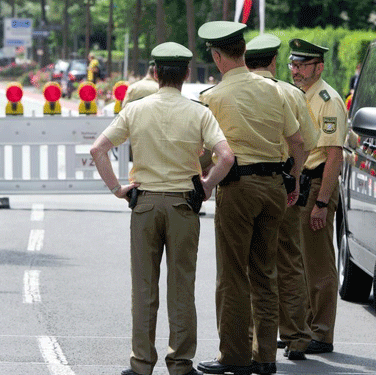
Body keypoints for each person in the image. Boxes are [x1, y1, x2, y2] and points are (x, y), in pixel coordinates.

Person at [90, 41, 234, 375]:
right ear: (186, 73)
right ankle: (180, 363)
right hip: (184, 204)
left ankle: (141, 363)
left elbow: (98, 149)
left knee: (143, 287)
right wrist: (207, 186)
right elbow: (226, 156)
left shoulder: (135, 110)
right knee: (181, 286)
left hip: (145, 203)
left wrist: (118, 189)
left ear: (155, 74)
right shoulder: (199, 112)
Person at [196, 21, 306, 375]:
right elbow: (299, 144)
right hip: (274, 186)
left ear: (216, 56)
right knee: (265, 273)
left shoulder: (213, 97)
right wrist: (293, 178)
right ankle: (266, 357)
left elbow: (201, 150)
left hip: (238, 188)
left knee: (232, 275)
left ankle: (234, 355)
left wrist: (201, 180)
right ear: (244, 51)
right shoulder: (275, 91)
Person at [244, 34, 320, 361]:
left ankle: (252, 339)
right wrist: (296, 178)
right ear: (274, 61)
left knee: (249, 263)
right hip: (283, 183)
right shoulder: (291, 93)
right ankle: (298, 336)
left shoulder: (235, 91)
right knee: (289, 259)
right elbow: (307, 142)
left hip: (243, 185)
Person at [288, 38, 348, 354]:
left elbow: (334, 155)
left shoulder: (328, 100)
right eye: (293, 64)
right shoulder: (299, 95)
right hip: (301, 184)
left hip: (317, 184)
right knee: (299, 261)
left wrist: (322, 203)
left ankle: (322, 333)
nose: (295, 70)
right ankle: (305, 326)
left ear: (318, 67)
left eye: (301, 65)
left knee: (319, 263)